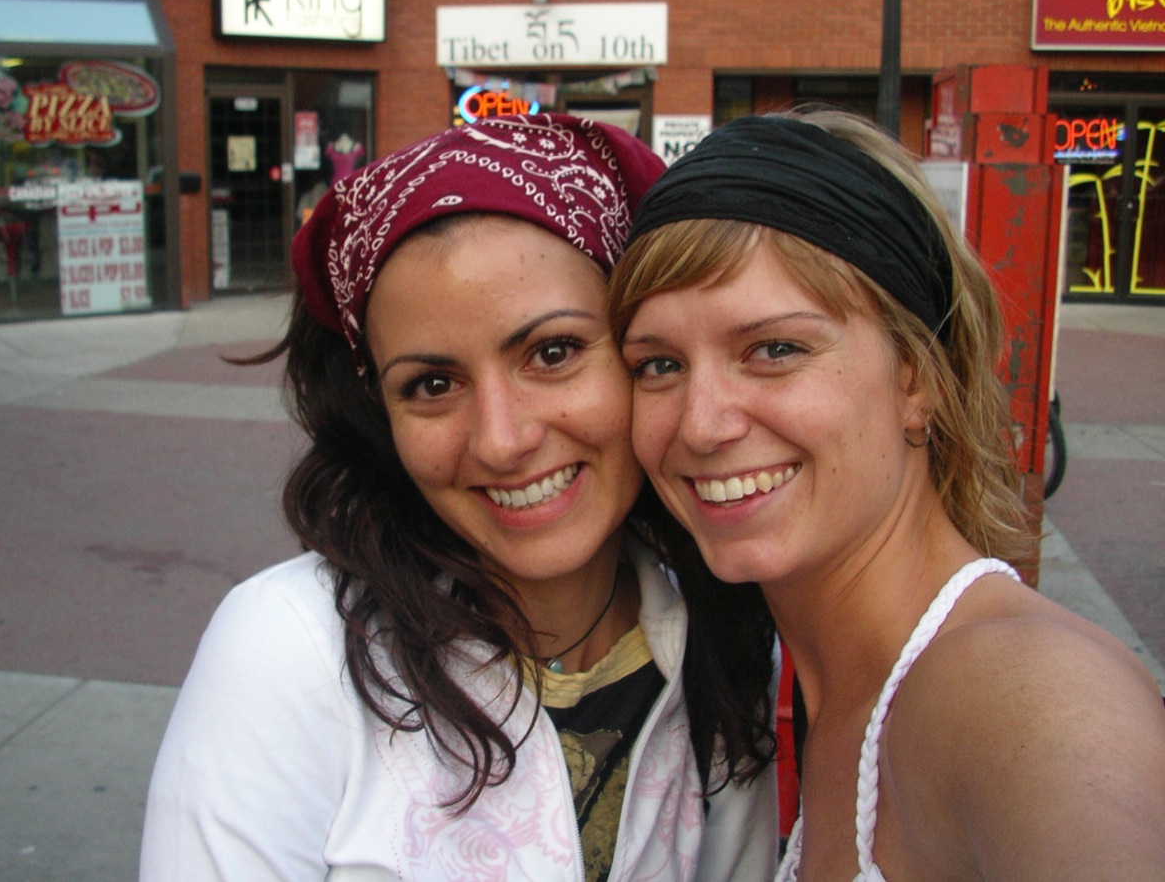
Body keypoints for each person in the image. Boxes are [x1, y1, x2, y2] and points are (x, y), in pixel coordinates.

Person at [141, 113, 779, 882]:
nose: (501, 440)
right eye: (433, 385)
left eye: (552, 352)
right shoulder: (288, 653)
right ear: (382, 413)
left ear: (644, 353)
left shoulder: (725, 634)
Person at [608, 108, 1165, 882]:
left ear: (919, 378)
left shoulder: (1028, 694)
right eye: (658, 364)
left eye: (774, 349)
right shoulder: (816, 679)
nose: (701, 425)